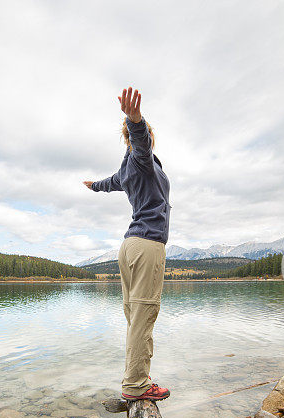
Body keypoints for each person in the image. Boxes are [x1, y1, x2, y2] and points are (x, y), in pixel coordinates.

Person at [83, 87, 171, 401]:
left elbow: (110, 183)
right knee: (144, 315)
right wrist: (136, 122)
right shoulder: (142, 160)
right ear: (135, 139)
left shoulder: (126, 169)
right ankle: (137, 385)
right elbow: (143, 145)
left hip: (129, 246)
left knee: (135, 316)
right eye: (139, 137)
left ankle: (136, 379)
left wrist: (94, 186)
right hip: (147, 245)